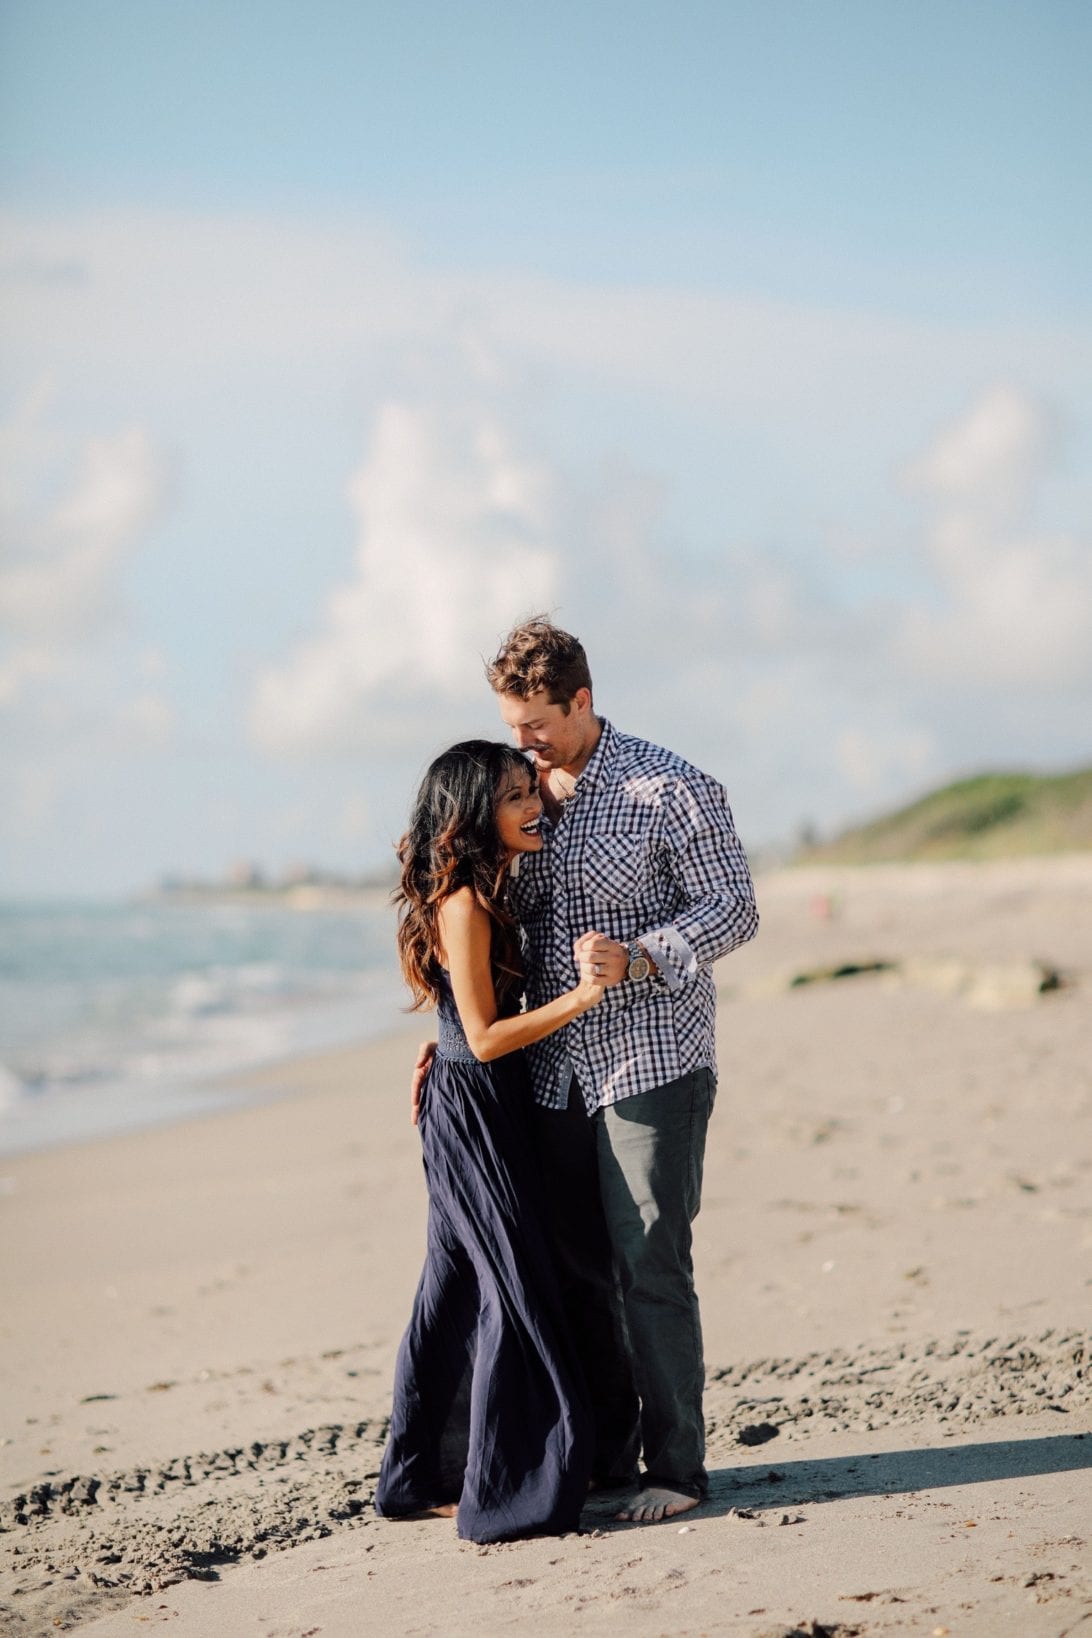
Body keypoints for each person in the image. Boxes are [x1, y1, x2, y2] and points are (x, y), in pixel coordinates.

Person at [413, 618, 759, 1524]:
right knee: (575, 1269)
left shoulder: (671, 789)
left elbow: (734, 910)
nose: (521, 742)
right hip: (546, 1073)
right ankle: (603, 1454)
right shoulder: (518, 797)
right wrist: (454, 1034)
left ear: (582, 701)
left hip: (652, 1059)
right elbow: (481, 923)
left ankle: (677, 1468)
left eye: (536, 724)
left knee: (650, 1263)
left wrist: (639, 956)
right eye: (511, 725)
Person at [374, 739, 609, 1544]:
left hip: (475, 1103)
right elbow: (481, 1036)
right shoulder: (466, 904)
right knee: (509, 1285)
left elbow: (459, 1029)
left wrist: (442, 1044)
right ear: (477, 814)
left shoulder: (487, 888)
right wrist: (583, 996)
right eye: (514, 797)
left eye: (528, 790)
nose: (532, 805)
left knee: (451, 1289)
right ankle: (506, 1488)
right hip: (474, 1109)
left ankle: (417, 1478)